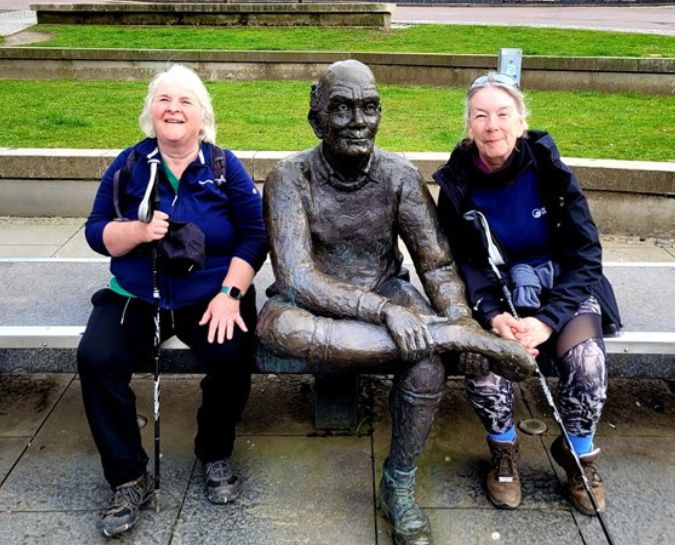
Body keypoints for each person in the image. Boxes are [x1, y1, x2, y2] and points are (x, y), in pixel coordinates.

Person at [256, 60, 534, 545]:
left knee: (426, 366)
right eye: (341, 109)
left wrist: (456, 309)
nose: (357, 121)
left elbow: (438, 265)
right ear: (316, 118)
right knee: (281, 329)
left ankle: (398, 485)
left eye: (368, 108)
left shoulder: (399, 174)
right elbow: (298, 279)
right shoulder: (289, 178)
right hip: (326, 304)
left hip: (387, 290)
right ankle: (450, 338)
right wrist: (397, 316)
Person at [77, 64, 267, 537]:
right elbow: (97, 232)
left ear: (202, 116)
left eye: (185, 101)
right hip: (139, 293)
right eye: (164, 100)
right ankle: (127, 476)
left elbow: (255, 236)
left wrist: (230, 294)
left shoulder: (224, 167)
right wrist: (138, 232)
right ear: (150, 113)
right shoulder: (130, 164)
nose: (174, 109)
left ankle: (215, 451)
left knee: (232, 352)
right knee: (97, 359)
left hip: (210, 295)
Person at [433, 72, 622, 516]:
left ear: (521, 122)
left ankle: (579, 456)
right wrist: (493, 313)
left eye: (502, 114)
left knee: (587, 362)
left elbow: (586, 255)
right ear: (469, 124)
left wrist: (548, 320)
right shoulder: (457, 184)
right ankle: (503, 452)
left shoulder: (551, 171)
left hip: (561, 289)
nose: (492, 125)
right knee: (482, 363)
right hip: (497, 294)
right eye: (480, 115)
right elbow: (463, 262)